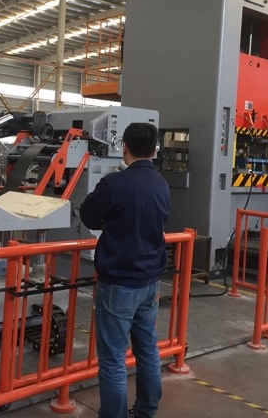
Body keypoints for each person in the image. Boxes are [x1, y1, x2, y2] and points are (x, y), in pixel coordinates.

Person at [80, 123, 170, 418]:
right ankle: (146, 411)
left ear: (124, 147)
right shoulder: (161, 183)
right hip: (150, 281)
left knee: (113, 360)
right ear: (154, 150)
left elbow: (88, 215)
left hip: (119, 282)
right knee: (148, 351)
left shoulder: (115, 184)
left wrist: (109, 221)